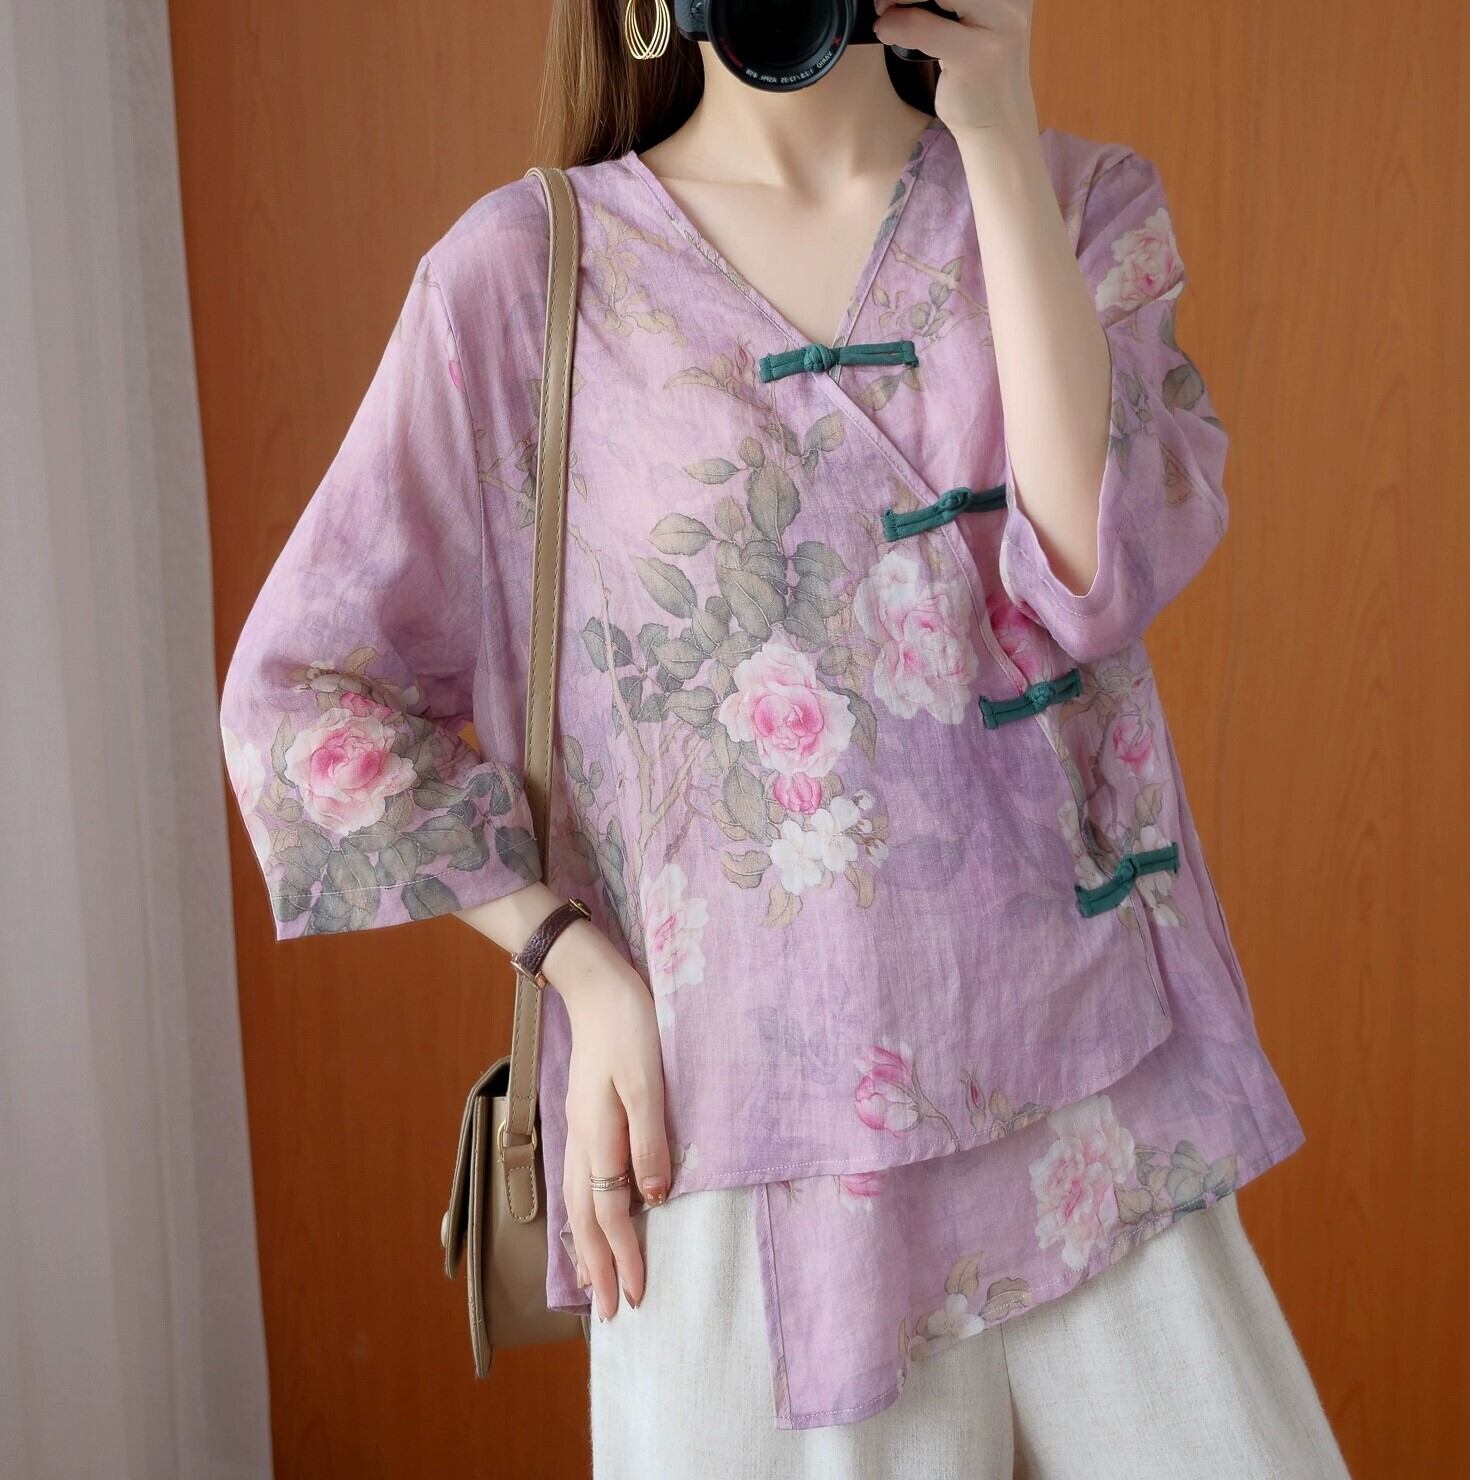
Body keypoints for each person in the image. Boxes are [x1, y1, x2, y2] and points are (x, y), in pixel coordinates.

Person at [219, 1, 1354, 1474]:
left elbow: (1095, 570)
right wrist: (574, 961)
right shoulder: (526, 277)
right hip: (741, 1142)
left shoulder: (1078, 202)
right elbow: (303, 689)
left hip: (1101, 1113)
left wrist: (993, 122)